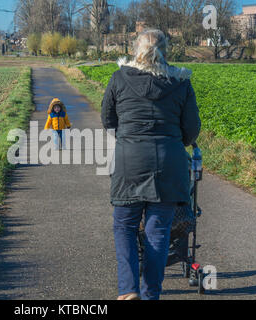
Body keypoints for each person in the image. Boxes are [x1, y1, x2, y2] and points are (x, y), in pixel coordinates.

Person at [101, 29, 201, 300]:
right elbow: (191, 130)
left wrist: (129, 135)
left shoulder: (119, 78)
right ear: (166, 51)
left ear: (136, 49)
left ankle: (128, 289)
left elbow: (108, 119)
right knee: (158, 233)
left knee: (125, 227)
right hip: (169, 165)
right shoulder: (181, 82)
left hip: (129, 163)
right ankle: (150, 294)